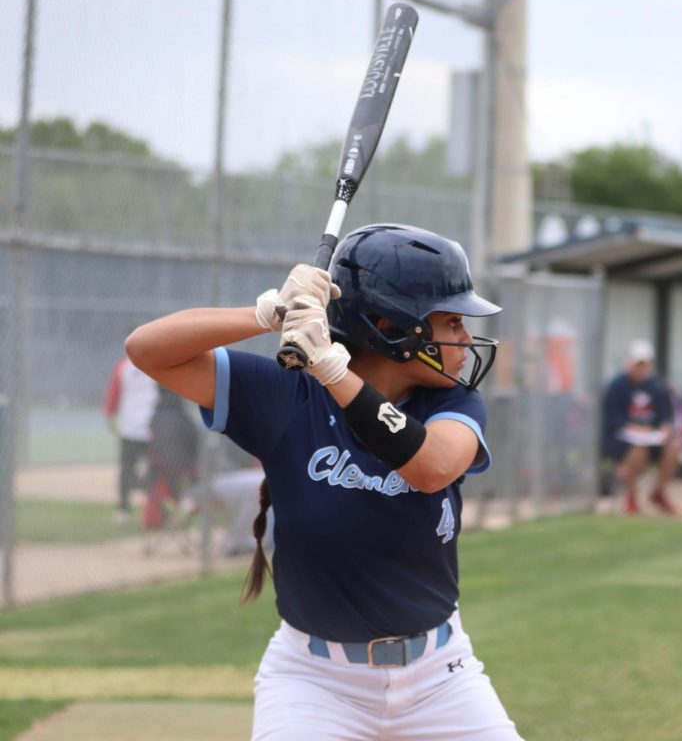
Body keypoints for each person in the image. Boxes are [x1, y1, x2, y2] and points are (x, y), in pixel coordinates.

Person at [126, 224, 522, 740]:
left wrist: (333, 369)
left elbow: (433, 468)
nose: (466, 339)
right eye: (451, 321)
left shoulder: (450, 402)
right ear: (390, 327)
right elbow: (147, 349)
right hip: (314, 682)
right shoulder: (288, 395)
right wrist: (266, 314)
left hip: (439, 676)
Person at [601, 339, 682, 515]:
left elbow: (664, 417)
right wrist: (634, 429)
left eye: (644, 364)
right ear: (629, 362)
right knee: (638, 450)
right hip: (620, 441)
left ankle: (658, 492)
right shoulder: (617, 386)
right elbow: (612, 420)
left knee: (675, 446)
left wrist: (664, 429)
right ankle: (631, 497)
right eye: (638, 363)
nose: (640, 368)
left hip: (651, 439)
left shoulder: (655, 387)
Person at [103, 350, 159, 522]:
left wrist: (111, 418)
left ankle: (124, 509)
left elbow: (112, 396)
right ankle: (154, 507)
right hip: (152, 429)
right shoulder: (157, 366)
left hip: (130, 429)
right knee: (155, 469)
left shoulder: (123, 366)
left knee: (127, 470)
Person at [142, 384, 202, 531]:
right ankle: (186, 504)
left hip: (159, 474)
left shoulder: (155, 418)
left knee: (165, 470)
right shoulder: (183, 418)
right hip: (185, 473)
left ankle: (174, 511)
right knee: (193, 476)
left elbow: (149, 446)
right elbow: (196, 445)